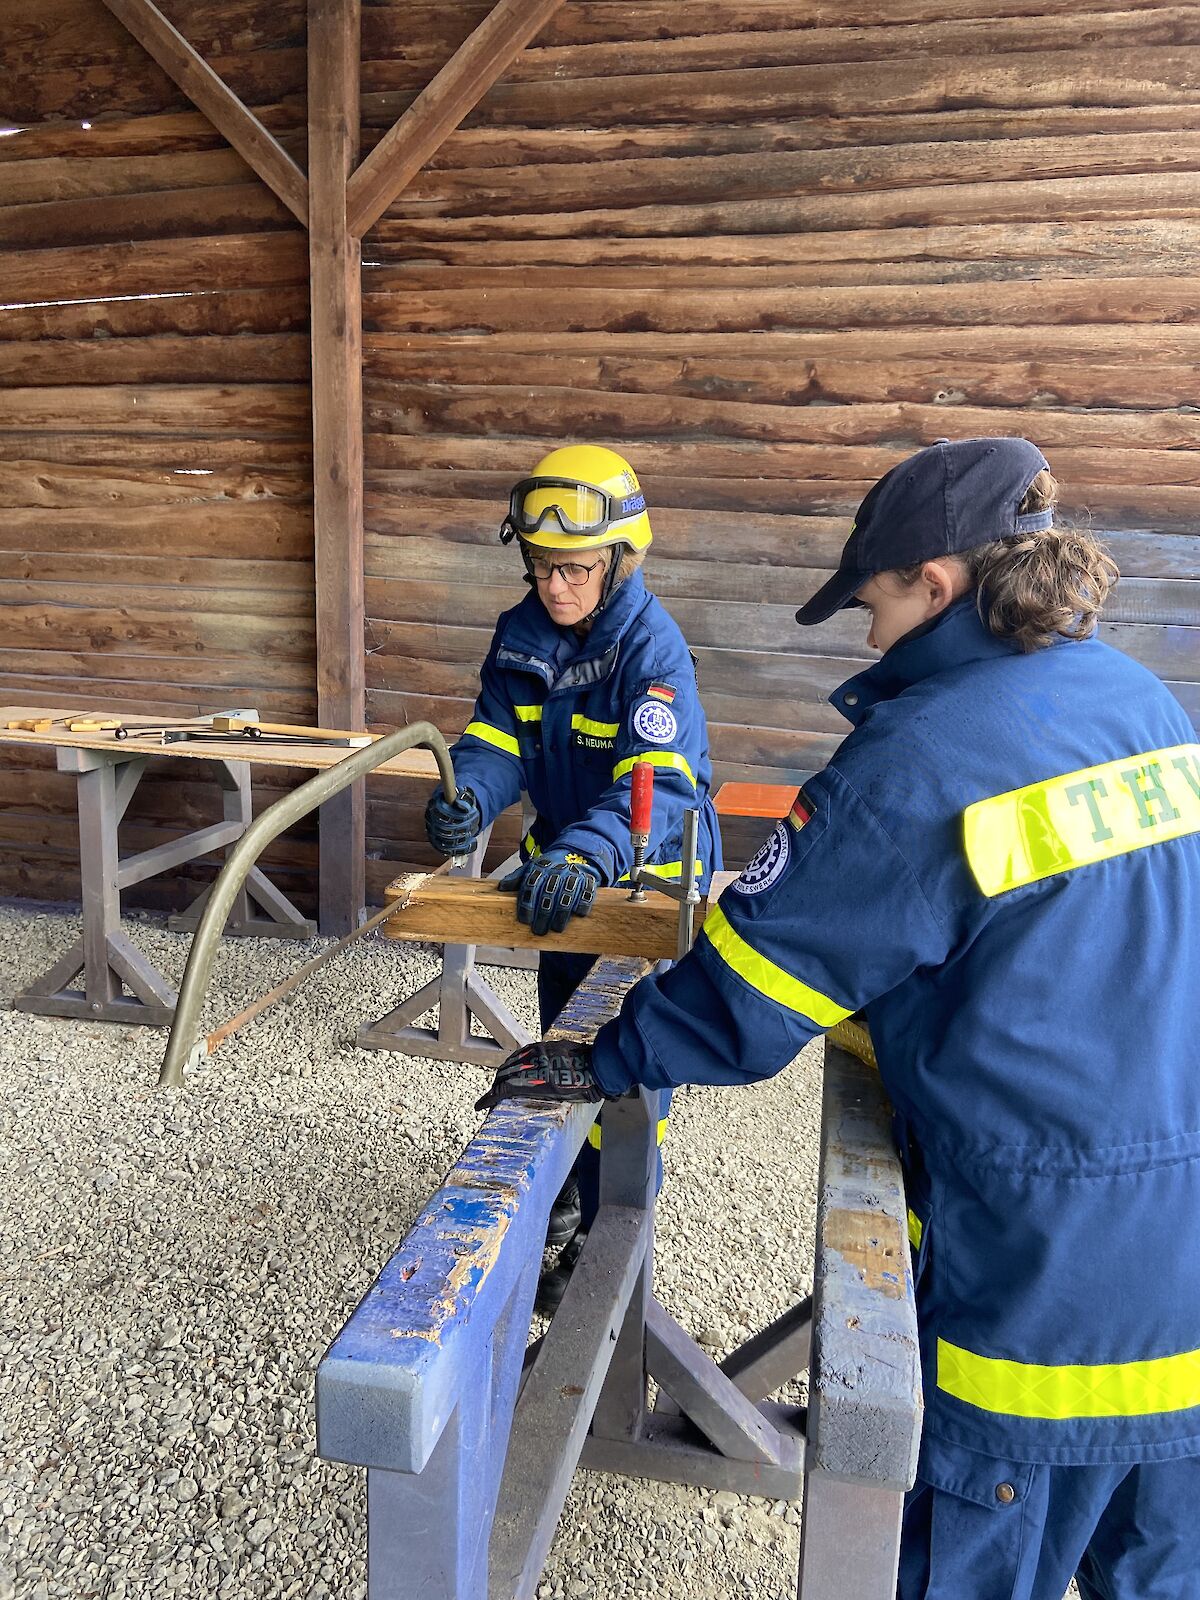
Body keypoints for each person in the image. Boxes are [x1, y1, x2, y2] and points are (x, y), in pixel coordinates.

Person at [478, 437, 1200, 1600]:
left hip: (1048, 1293)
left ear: (937, 584)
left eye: (870, 603)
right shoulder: (1145, 702)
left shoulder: (919, 758)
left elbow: (751, 994)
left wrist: (600, 1055)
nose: (865, 638)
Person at [424, 442, 722, 1314]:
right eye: (540, 566)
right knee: (565, 1043)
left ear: (623, 558)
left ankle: (610, 1223)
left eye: (576, 569)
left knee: (628, 1063)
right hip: (564, 874)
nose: (555, 586)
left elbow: (661, 780)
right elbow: (494, 742)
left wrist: (590, 852)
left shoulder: (651, 651)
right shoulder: (521, 636)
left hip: (644, 883)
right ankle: (559, 1188)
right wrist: (470, 799)